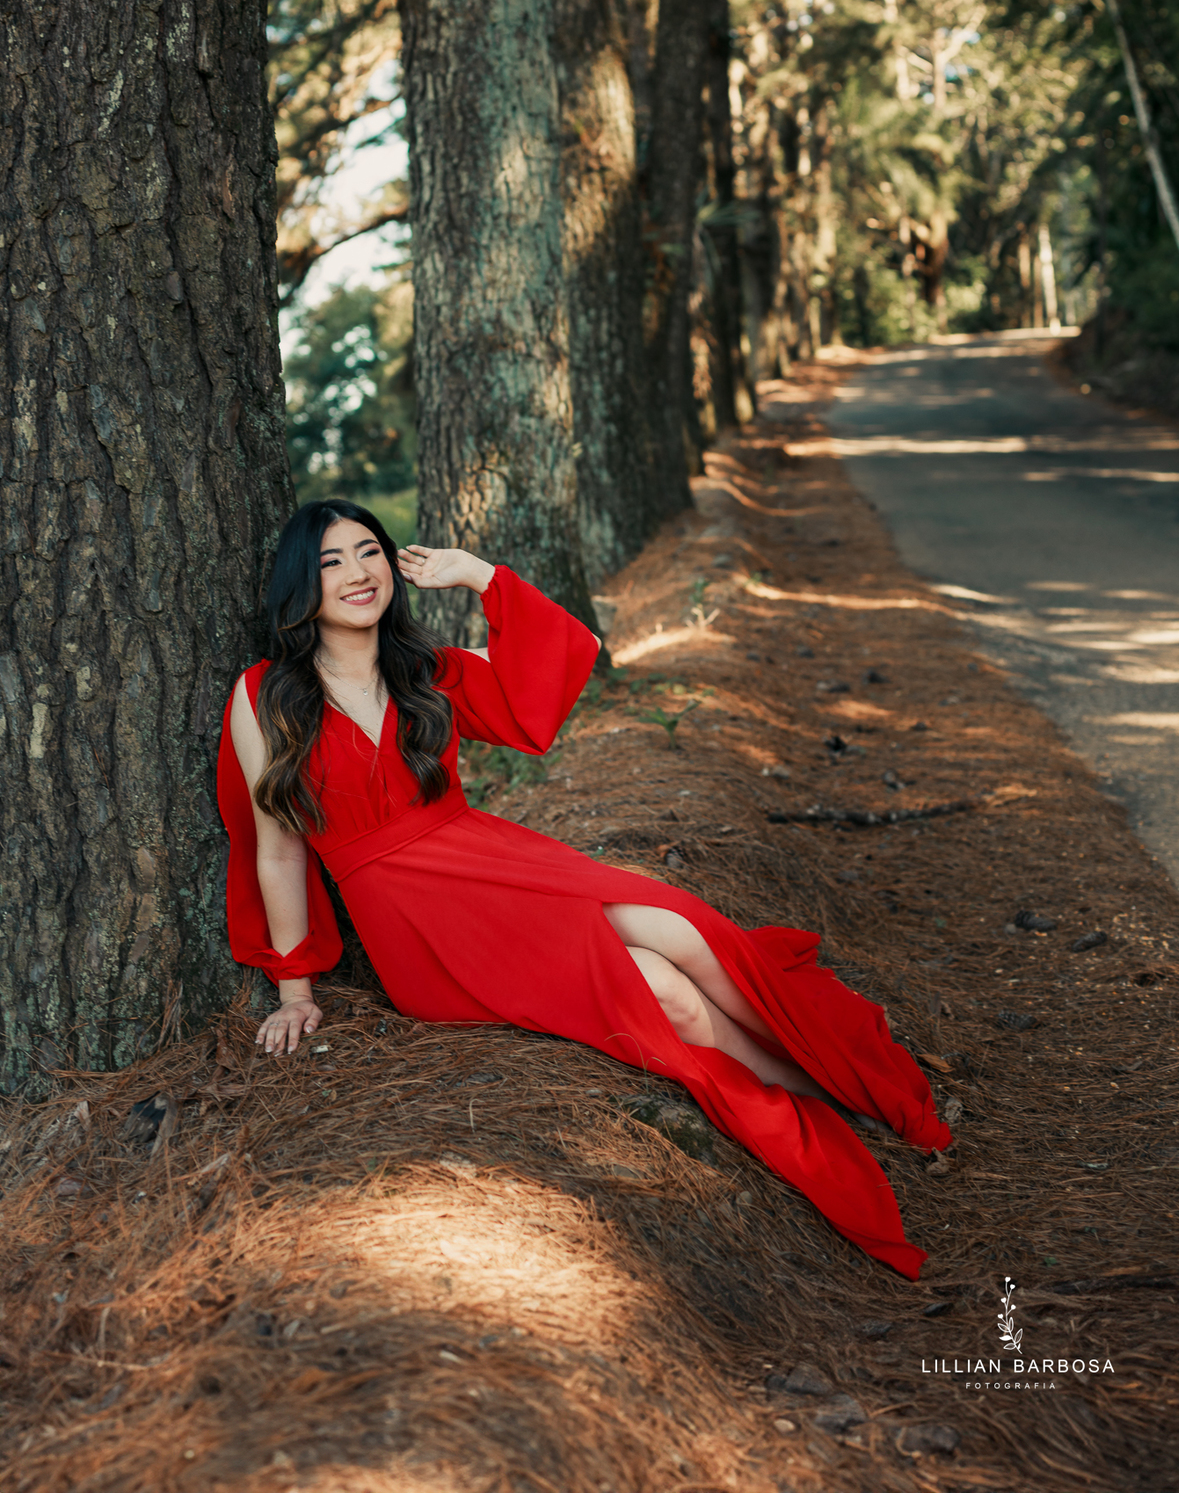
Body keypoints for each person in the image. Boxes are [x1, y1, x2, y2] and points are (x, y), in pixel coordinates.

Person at [219, 498, 952, 1279]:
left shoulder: (423, 671)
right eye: (332, 561)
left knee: (687, 931)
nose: (358, 574)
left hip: (499, 860)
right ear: (302, 582)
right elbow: (279, 853)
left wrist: (483, 578)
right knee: (662, 991)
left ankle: (838, 1080)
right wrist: (294, 990)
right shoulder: (266, 696)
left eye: (370, 552)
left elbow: (545, 686)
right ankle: (812, 1097)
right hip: (429, 928)